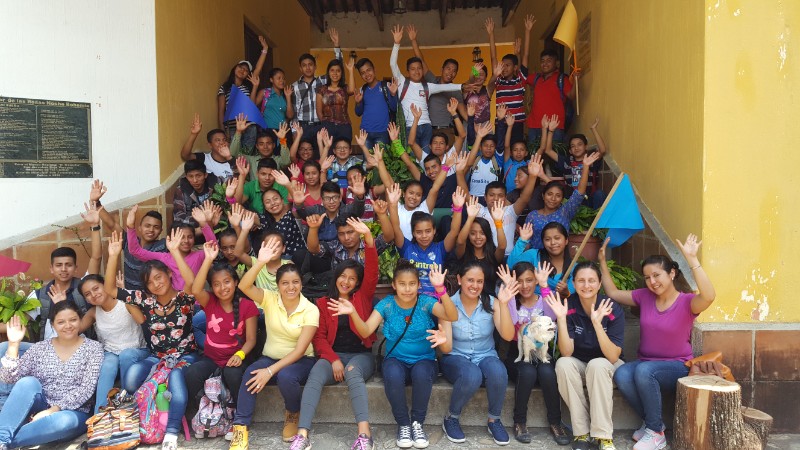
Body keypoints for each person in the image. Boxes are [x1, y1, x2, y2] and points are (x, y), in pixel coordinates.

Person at [602, 234, 716, 450]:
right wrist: (601, 262)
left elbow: (709, 296)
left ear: (672, 273)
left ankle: (656, 434)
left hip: (677, 366)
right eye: (647, 277)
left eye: (657, 275)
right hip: (647, 363)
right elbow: (613, 293)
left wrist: (692, 259)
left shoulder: (687, 302)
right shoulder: (644, 296)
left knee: (645, 371)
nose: (652, 281)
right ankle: (653, 423)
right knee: (623, 373)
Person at [328, 261, 456, 449]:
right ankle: (404, 424)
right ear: (394, 285)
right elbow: (365, 331)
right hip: (395, 359)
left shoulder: (426, 302)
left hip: (425, 359)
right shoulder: (386, 304)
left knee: (421, 374)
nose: (407, 289)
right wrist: (353, 312)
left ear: (418, 285)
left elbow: (452, 316)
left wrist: (440, 290)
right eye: (402, 284)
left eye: (412, 284)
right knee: (393, 374)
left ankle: (417, 424)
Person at [289, 218, 379, 450]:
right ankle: (302, 435)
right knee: (317, 373)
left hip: (361, 356)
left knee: (352, 372)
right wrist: (334, 359)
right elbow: (318, 339)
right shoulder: (323, 303)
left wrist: (368, 238)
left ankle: (364, 435)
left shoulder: (363, 297)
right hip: (334, 355)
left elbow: (371, 272)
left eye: (352, 279)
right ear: (335, 277)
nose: (346, 281)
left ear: (358, 283)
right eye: (343, 276)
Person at [106, 229, 200, 450]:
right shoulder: (145, 300)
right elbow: (110, 289)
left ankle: (171, 432)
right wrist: (113, 256)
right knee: (130, 378)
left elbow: (191, 281)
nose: (156, 284)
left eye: (159, 277)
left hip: (186, 356)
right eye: (150, 282)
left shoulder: (182, 298)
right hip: (158, 357)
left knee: (176, 377)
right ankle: (135, 419)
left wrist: (175, 251)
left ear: (168, 274)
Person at [229, 239, 319, 448]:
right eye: (285, 283)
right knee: (250, 372)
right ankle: (240, 427)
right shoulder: (269, 298)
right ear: (277, 285)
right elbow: (243, 286)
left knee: (286, 376)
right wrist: (259, 263)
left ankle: (292, 413)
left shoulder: (310, 309)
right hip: (270, 356)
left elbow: (299, 350)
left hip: (302, 360)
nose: (290, 287)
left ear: (301, 284)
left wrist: (269, 371)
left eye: (295, 282)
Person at [0, 302, 103, 449]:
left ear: (80, 320)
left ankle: (5, 442)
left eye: (73, 320)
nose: (68, 325)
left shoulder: (93, 348)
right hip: (40, 405)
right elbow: (9, 379)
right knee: (27, 382)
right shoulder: (40, 348)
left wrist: (53, 410)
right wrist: (13, 345)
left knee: (63, 422)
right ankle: (2, 439)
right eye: (61, 322)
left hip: (73, 413)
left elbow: (86, 389)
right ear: (53, 325)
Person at [180, 241, 260, 432]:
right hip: (212, 358)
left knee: (234, 375)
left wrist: (240, 355)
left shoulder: (247, 306)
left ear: (235, 282)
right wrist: (208, 259)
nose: (222, 287)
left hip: (235, 359)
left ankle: (238, 417)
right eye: (216, 284)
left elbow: (251, 340)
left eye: (226, 282)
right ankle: (198, 411)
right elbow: (196, 289)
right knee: (192, 373)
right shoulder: (210, 302)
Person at [436, 261, 517, 445]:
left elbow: (508, 334)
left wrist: (503, 305)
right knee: (472, 374)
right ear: (459, 279)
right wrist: (442, 341)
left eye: (479, 281)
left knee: (499, 372)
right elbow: (447, 349)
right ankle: (451, 417)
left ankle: (494, 420)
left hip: (485, 354)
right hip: (455, 357)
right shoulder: (448, 304)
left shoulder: (492, 302)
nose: (475, 285)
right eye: (470, 280)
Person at [546, 262, 625, 450]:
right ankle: (581, 433)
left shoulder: (611, 308)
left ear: (599, 284)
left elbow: (613, 356)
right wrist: (562, 319)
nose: (586, 285)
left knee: (597, 365)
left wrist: (598, 324)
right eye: (581, 280)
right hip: (580, 364)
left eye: (592, 281)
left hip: (608, 366)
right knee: (563, 364)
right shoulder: (569, 305)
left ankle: (603, 436)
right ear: (574, 283)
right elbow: (566, 352)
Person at [496, 263, 571, 445]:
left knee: (546, 371)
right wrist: (510, 291)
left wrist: (545, 285)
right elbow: (512, 320)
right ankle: (519, 422)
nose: (525, 285)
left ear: (535, 280)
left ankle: (555, 422)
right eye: (519, 281)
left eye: (529, 280)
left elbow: (552, 316)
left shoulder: (542, 299)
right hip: (518, 352)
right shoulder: (510, 300)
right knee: (528, 371)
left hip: (541, 350)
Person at [77, 275, 149, 414]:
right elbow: (75, 329)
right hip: (111, 352)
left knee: (126, 355)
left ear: (106, 285)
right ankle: (99, 414)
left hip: (138, 350)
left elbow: (142, 321)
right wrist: (61, 305)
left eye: (96, 288)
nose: (93, 295)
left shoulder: (125, 303)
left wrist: (124, 293)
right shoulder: (94, 312)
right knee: (108, 364)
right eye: (87, 294)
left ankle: (125, 402)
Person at [389, 25, 466, 153]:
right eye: (412, 69)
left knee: (427, 160)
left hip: (427, 127)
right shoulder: (402, 82)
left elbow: (446, 87)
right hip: (410, 127)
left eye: (419, 68)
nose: (417, 71)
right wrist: (397, 43)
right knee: (413, 159)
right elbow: (392, 63)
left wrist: (462, 86)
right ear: (407, 71)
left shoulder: (428, 86)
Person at [388, 184, 465, 295]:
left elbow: (453, 232)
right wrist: (393, 204)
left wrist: (458, 208)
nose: (424, 236)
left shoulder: (440, 248)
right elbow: (395, 226)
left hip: (435, 300)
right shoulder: (407, 247)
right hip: (410, 297)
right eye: (419, 232)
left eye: (428, 231)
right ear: (413, 233)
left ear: (434, 231)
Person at [92, 179, 167, 291]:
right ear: (139, 228)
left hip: (152, 299)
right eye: (147, 226)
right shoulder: (128, 242)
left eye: (156, 227)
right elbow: (111, 224)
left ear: (161, 231)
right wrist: (96, 202)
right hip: (129, 299)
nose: (151, 230)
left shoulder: (163, 246)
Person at [128, 204, 218, 290]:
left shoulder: (199, 256)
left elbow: (213, 248)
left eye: (190, 237)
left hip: (197, 302)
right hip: (176, 302)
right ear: (172, 239)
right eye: (181, 237)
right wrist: (130, 226)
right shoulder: (165, 257)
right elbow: (135, 251)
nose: (186, 241)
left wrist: (203, 223)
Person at [524, 151, 602, 249]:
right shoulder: (532, 216)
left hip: (560, 259)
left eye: (558, 196)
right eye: (549, 194)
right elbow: (526, 242)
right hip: (536, 260)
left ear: (562, 199)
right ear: (543, 196)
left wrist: (585, 167)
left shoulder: (565, 211)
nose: (553, 198)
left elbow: (580, 193)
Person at [486, 15, 536, 144]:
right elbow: (493, 57)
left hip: (517, 123)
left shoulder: (520, 79)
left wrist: (528, 31)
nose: (504, 67)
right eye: (502, 65)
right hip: (501, 122)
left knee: (517, 150)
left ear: (515, 68)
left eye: (507, 65)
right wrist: (491, 34)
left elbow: (526, 55)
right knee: (501, 149)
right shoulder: (499, 81)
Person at [541, 116, 608, 209]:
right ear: (570, 151)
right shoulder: (566, 162)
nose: (576, 148)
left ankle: (598, 221)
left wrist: (594, 129)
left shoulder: (591, 159)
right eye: (573, 146)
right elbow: (548, 150)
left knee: (600, 194)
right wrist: (551, 131)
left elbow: (602, 150)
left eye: (579, 144)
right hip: (573, 201)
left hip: (589, 199)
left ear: (586, 147)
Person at [290, 29, 343, 144]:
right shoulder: (294, 87)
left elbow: (338, 67)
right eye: (304, 65)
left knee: (320, 157)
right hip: (303, 127)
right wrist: (294, 131)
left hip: (321, 126)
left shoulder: (323, 81)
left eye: (310, 65)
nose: (307, 68)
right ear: (300, 68)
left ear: (315, 67)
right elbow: (294, 112)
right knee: (303, 158)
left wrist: (336, 46)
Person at [305, 200, 394, 269]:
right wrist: (313, 228)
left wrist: (382, 214)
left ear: (359, 230)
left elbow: (389, 237)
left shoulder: (369, 245)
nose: (346, 238)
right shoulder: (335, 247)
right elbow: (314, 249)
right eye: (341, 234)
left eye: (350, 232)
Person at [217, 36, 269, 150]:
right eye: (241, 67)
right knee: (233, 155)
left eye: (246, 70)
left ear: (247, 75)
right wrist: (223, 130)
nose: (243, 70)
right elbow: (221, 111)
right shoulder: (224, 88)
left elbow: (252, 105)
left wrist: (265, 49)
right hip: (231, 127)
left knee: (247, 156)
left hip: (249, 126)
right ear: (235, 68)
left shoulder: (248, 87)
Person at [508, 222, 576, 297]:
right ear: (543, 242)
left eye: (557, 238)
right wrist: (522, 240)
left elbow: (570, 294)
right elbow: (511, 266)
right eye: (547, 239)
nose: (553, 242)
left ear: (566, 240)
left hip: (558, 306)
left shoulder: (574, 267)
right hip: (531, 305)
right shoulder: (533, 255)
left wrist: (566, 293)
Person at [526, 48, 578, 146]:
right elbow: (522, 76)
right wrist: (520, 54)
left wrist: (575, 81)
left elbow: (571, 96)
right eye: (542, 61)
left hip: (555, 126)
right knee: (534, 158)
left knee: (554, 157)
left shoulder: (562, 79)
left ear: (557, 63)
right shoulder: (536, 78)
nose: (545, 64)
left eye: (549, 61)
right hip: (535, 125)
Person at [452, 197, 507, 290]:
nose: (478, 237)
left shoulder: (492, 254)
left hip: (489, 300)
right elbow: (460, 241)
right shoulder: (463, 252)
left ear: (487, 235)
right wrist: (470, 218)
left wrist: (498, 222)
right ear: (468, 236)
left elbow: (502, 247)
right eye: (473, 233)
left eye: (482, 233)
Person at [294, 179, 366, 243]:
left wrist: (360, 196)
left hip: (341, 250)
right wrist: (298, 204)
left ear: (340, 198)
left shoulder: (347, 210)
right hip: (319, 251)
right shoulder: (317, 210)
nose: (331, 202)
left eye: (335, 197)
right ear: (322, 200)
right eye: (327, 198)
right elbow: (301, 213)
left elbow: (358, 209)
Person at [352, 57, 398, 148]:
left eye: (368, 70)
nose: (367, 74)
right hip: (365, 133)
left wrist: (393, 94)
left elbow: (394, 108)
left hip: (382, 132)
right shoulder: (362, 90)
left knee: (380, 161)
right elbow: (358, 113)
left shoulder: (386, 86)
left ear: (374, 70)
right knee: (367, 161)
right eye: (363, 73)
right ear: (361, 76)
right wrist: (358, 103)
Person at [180, 114, 235, 181]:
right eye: (218, 140)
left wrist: (229, 157)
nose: (222, 143)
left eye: (224, 140)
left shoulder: (232, 160)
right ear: (210, 145)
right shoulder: (204, 158)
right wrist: (194, 134)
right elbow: (185, 155)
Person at [172, 159, 221, 233]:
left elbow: (222, 209)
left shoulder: (216, 184)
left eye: (198, 176)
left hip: (216, 228)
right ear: (186, 176)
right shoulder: (181, 189)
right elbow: (179, 217)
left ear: (205, 175)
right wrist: (202, 219)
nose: (195, 180)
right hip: (194, 231)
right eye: (190, 176)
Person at [316, 59, 354, 143]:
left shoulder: (345, 88)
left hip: (344, 126)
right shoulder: (321, 90)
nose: (335, 73)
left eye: (338, 71)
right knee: (328, 153)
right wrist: (325, 125)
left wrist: (350, 70)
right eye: (332, 70)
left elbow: (352, 90)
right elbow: (319, 112)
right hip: (327, 125)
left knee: (344, 151)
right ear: (328, 72)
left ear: (341, 73)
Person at [252, 67, 294, 132]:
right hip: (267, 130)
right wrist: (255, 86)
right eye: (279, 78)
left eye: (283, 78)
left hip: (283, 131)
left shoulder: (286, 94)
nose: (282, 81)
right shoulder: (265, 92)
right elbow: (251, 105)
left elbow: (290, 116)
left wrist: (288, 97)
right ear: (271, 80)